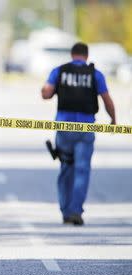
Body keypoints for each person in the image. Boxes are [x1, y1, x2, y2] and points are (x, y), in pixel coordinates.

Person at [41, 42, 116, 226]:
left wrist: (49, 89)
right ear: (86, 55)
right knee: (82, 170)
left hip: (65, 128)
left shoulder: (59, 71)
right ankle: (76, 211)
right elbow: (107, 100)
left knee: (67, 168)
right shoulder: (95, 75)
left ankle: (65, 211)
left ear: (72, 54)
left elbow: (46, 93)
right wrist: (113, 120)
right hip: (85, 129)